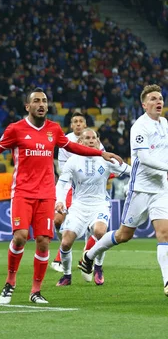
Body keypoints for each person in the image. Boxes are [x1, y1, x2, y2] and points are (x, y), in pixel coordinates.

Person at [0, 87, 123, 304]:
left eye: (44, 101)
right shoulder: (16, 129)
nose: (42, 104)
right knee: (21, 236)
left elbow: (74, 147)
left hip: (46, 194)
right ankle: (10, 282)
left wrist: (101, 152)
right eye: (37, 101)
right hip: (22, 192)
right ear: (27, 106)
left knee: (43, 242)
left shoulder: (54, 129)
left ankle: (35, 291)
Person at [79, 85, 168, 296]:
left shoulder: (164, 124)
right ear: (144, 104)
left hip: (161, 189)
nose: (159, 102)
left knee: (164, 233)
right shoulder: (139, 127)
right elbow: (144, 158)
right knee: (123, 235)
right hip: (140, 189)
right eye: (154, 99)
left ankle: (167, 282)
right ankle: (90, 256)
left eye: (161, 98)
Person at [54, 129, 130, 287]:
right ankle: (67, 275)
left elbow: (131, 170)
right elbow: (62, 183)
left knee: (100, 232)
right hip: (78, 207)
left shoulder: (107, 159)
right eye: (86, 138)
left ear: (98, 141)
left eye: (93, 138)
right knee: (66, 243)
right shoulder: (73, 161)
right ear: (80, 142)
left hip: (100, 205)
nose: (90, 140)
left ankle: (98, 267)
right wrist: (60, 200)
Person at [52, 112, 105, 272]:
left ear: (85, 123)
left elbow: (102, 160)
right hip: (69, 184)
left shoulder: (92, 138)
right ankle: (64, 249)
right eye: (75, 121)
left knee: (95, 226)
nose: (78, 124)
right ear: (71, 124)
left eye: (81, 121)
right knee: (58, 221)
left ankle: (80, 254)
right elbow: (62, 169)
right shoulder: (65, 142)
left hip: (91, 186)